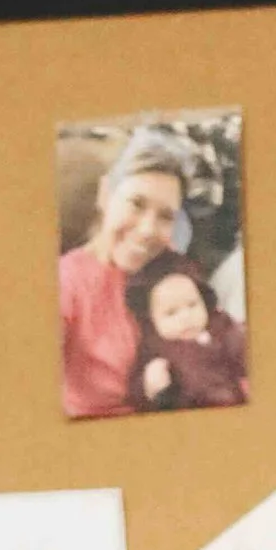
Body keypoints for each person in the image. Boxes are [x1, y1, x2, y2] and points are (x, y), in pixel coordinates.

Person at [58, 129, 192, 417]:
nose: (147, 230)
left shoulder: (177, 271)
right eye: (136, 204)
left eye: (165, 216)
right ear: (106, 194)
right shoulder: (66, 283)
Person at [127, 250, 250, 409]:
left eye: (192, 304)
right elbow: (135, 391)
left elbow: (242, 353)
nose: (186, 317)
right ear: (151, 320)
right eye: (171, 312)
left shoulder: (221, 326)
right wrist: (148, 385)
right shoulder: (153, 347)